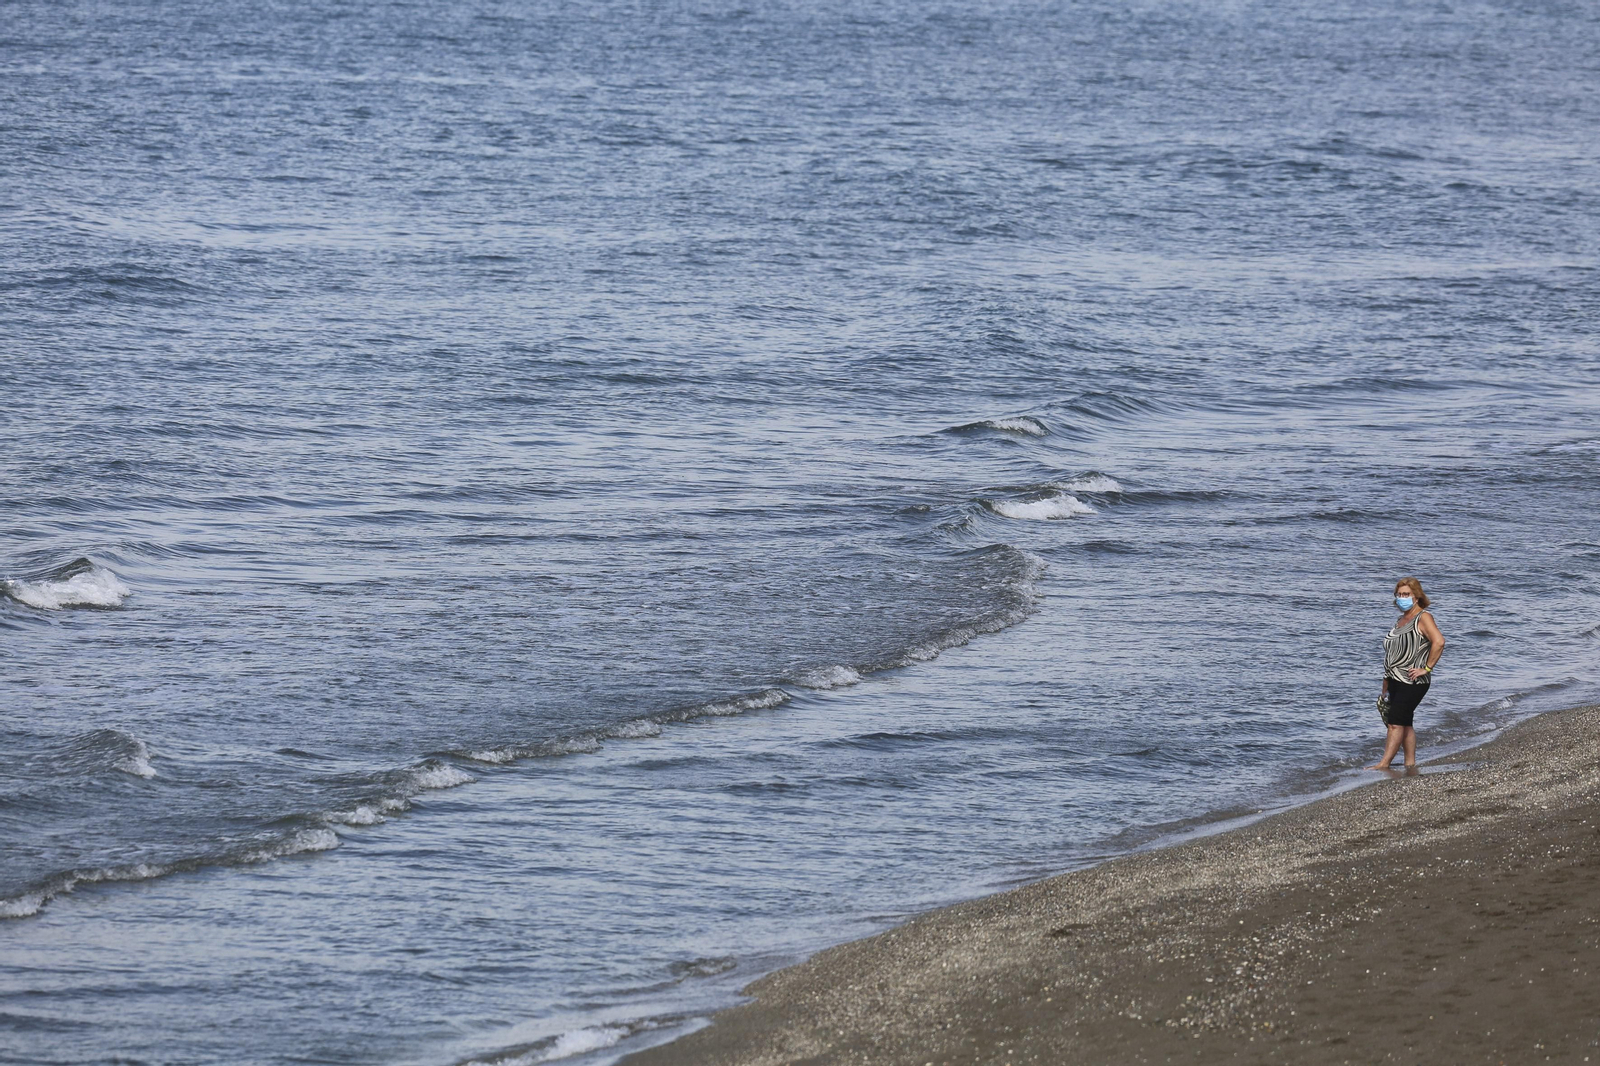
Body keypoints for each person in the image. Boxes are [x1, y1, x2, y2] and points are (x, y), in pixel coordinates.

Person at [1369, 577, 1446, 770]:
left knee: (1395, 723)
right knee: (1405, 722)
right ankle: (1410, 763)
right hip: (1394, 679)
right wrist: (1385, 683)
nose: (1402, 598)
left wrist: (1427, 668)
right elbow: (1394, 654)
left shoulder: (1423, 617)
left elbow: (1439, 642)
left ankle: (1384, 764)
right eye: (1399, 594)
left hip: (1413, 680)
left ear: (1417, 597)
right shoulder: (1401, 620)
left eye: (1406, 594)